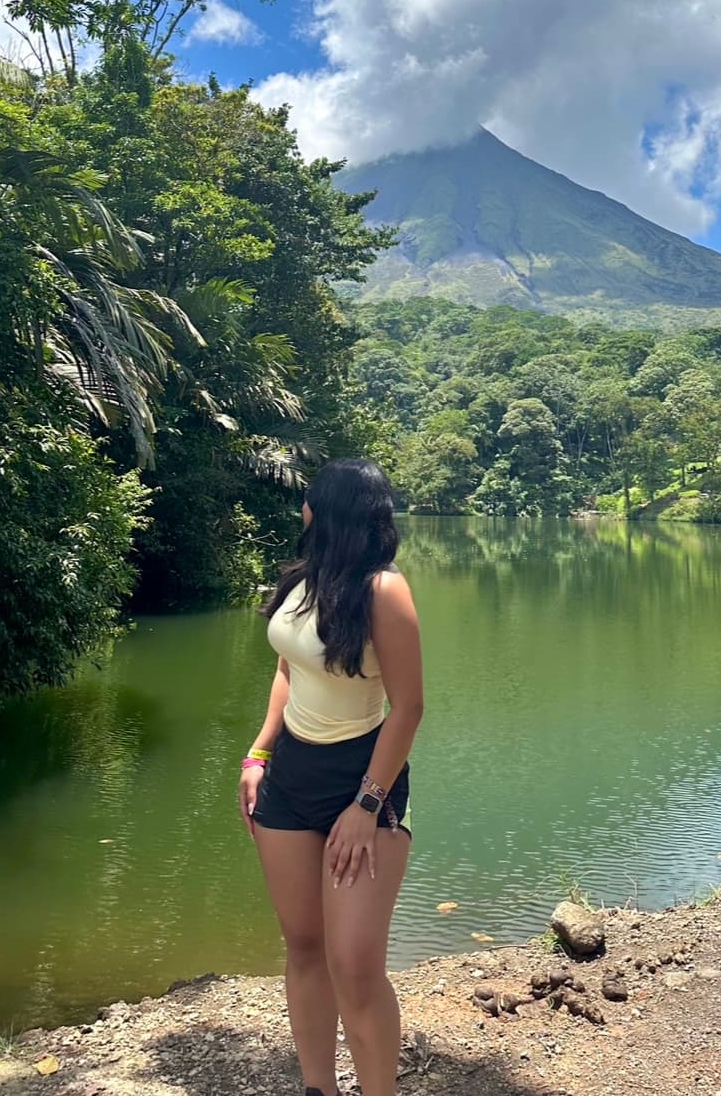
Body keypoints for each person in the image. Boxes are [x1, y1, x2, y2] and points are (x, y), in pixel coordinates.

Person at [239, 459, 424, 1096]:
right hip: (290, 776)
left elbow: (409, 708)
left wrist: (366, 806)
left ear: (329, 512)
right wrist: (258, 755)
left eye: (309, 501)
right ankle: (318, 1088)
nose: (301, 511)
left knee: (355, 966)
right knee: (305, 945)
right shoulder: (303, 580)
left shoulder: (384, 591)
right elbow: (291, 670)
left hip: (360, 780)